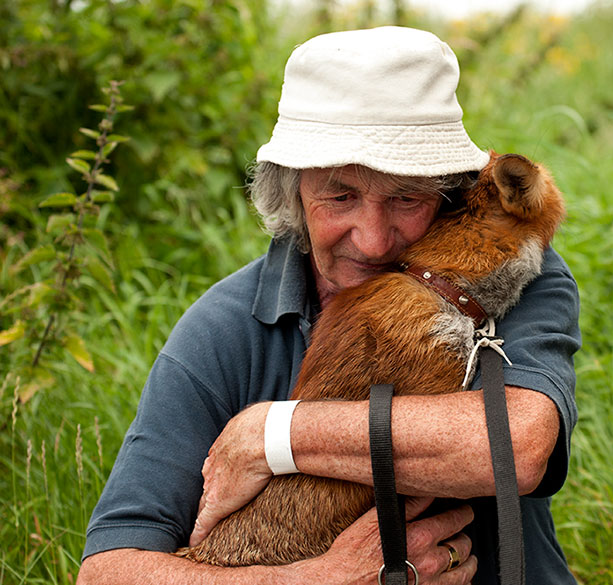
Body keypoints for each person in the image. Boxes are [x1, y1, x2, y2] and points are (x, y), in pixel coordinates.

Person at [77, 26, 580, 585]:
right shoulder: (223, 327)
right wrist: (312, 580)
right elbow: (107, 572)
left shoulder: (507, 280)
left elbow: (515, 446)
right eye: (341, 196)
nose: (372, 239)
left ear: (451, 192)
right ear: (292, 192)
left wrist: (273, 435)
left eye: (406, 198)